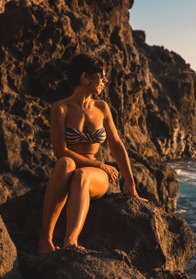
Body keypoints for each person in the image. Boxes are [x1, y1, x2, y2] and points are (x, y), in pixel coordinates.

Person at [37, 54, 147, 253]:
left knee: (81, 175)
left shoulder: (102, 108)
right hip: (80, 167)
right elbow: (60, 150)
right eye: (101, 76)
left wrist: (130, 184)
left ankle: (71, 240)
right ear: (85, 77)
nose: (104, 81)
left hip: (95, 176)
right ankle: (45, 239)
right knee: (64, 163)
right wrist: (101, 164)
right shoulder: (61, 109)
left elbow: (116, 144)